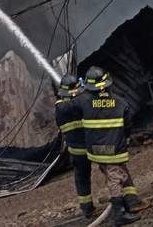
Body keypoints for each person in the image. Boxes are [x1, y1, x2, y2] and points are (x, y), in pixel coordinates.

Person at [77, 66, 142, 225]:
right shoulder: (121, 103)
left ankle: (126, 202)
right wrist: (124, 139)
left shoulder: (83, 103)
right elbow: (128, 127)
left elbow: (67, 108)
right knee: (115, 177)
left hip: (96, 152)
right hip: (114, 149)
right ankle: (119, 214)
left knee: (114, 174)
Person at [55, 74, 94, 218]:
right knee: (112, 170)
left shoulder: (60, 108)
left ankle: (87, 208)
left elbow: (60, 126)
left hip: (77, 151)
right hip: (94, 145)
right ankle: (124, 199)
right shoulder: (85, 101)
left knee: (82, 178)